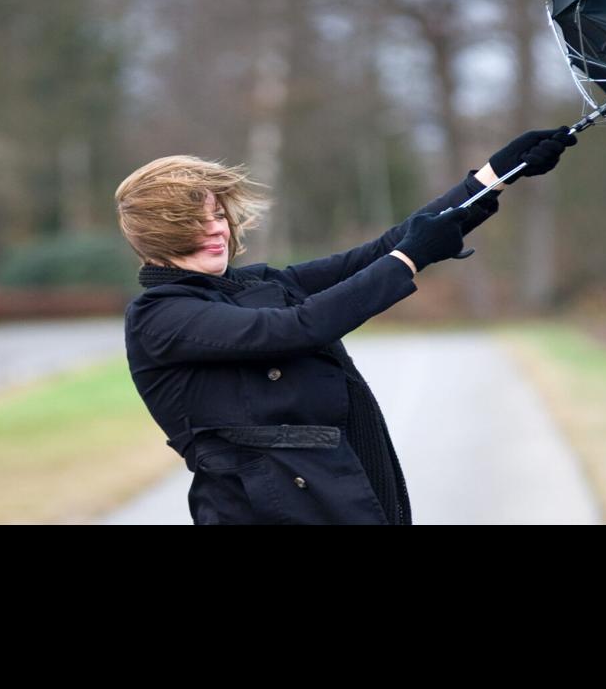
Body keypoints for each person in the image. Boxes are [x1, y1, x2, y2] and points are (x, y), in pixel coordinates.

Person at [115, 127, 577, 524]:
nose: (217, 229)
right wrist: (410, 258)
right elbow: (295, 329)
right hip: (264, 511)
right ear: (160, 234)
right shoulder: (159, 317)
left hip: (334, 491)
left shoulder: (252, 283)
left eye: (218, 215)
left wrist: (492, 178)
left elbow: (376, 253)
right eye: (195, 222)